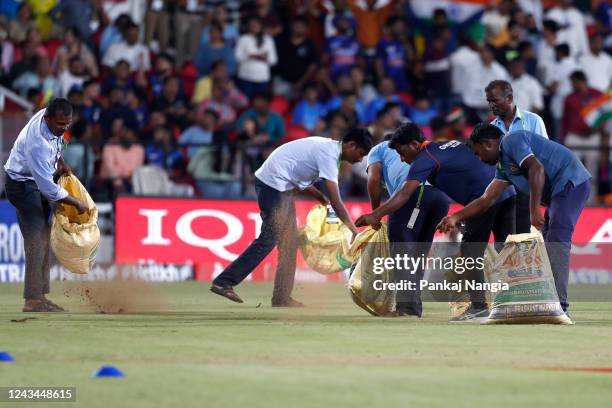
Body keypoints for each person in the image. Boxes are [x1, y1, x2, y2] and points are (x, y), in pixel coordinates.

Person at [355, 123, 516, 323]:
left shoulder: (425, 158)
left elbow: (405, 193)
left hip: (483, 200)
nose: (403, 159)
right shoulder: (448, 145)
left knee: (469, 253)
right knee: (507, 250)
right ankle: (516, 305)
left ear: (414, 144)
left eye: (402, 152)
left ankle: (478, 308)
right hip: (507, 193)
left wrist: (375, 214)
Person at [438, 124, 592, 314]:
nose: (479, 159)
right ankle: (548, 301)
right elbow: (486, 200)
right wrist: (455, 216)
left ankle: (559, 308)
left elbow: (536, 168)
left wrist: (534, 209)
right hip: (557, 193)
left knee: (557, 240)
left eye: (478, 154)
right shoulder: (503, 168)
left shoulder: (512, 140)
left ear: (487, 144)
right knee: (548, 243)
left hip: (571, 182)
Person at [210, 128, 373, 307]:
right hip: (272, 185)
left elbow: (297, 175)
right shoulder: (329, 154)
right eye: (361, 153)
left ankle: (281, 298)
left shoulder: (328, 149)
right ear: (351, 145)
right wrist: (353, 230)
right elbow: (336, 200)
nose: (360, 159)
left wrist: (319, 197)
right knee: (268, 238)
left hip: (280, 187)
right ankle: (224, 282)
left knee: (289, 244)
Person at [4, 98, 89, 312]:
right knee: (36, 240)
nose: (64, 128)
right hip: (22, 186)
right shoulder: (37, 143)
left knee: (45, 237)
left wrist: (61, 162)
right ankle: (32, 300)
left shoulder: (50, 121)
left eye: (67, 123)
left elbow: (56, 145)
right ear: (47, 117)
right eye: (60, 124)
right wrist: (75, 202)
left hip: (33, 184)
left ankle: (40, 296)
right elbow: (48, 188)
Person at [366, 136, 450, 317]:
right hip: (441, 198)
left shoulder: (379, 149)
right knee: (418, 254)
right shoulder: (421, 148)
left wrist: (375, 213)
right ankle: (413, 307)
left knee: (403, 253)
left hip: (412, 195)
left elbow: (373, 180)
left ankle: (407, 308)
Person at [486, 80, 548, 233]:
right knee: (504, 240)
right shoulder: (492, 128)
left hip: (528, 188)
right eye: (489, 101)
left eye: (495, 100)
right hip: (504, 189)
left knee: (525, 238)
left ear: (509, 98)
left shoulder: (533, 120)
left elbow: (543, 154)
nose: (491, 105)